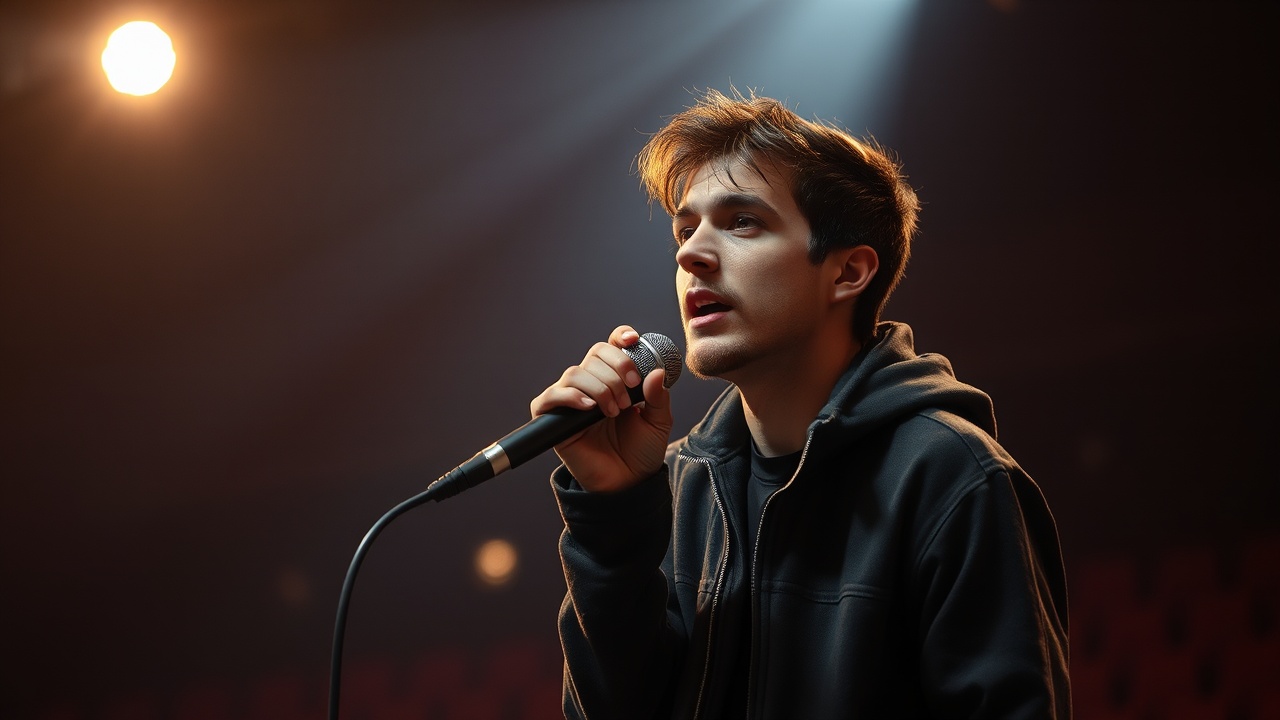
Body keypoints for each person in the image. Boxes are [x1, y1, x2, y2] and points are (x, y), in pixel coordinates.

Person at [530, 89, 1070, 719]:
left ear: (847, 273)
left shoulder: (951, 476)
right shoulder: (674, 487)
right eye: (685, 227)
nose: (690, 253)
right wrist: (613, 518)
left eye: (741, 222)